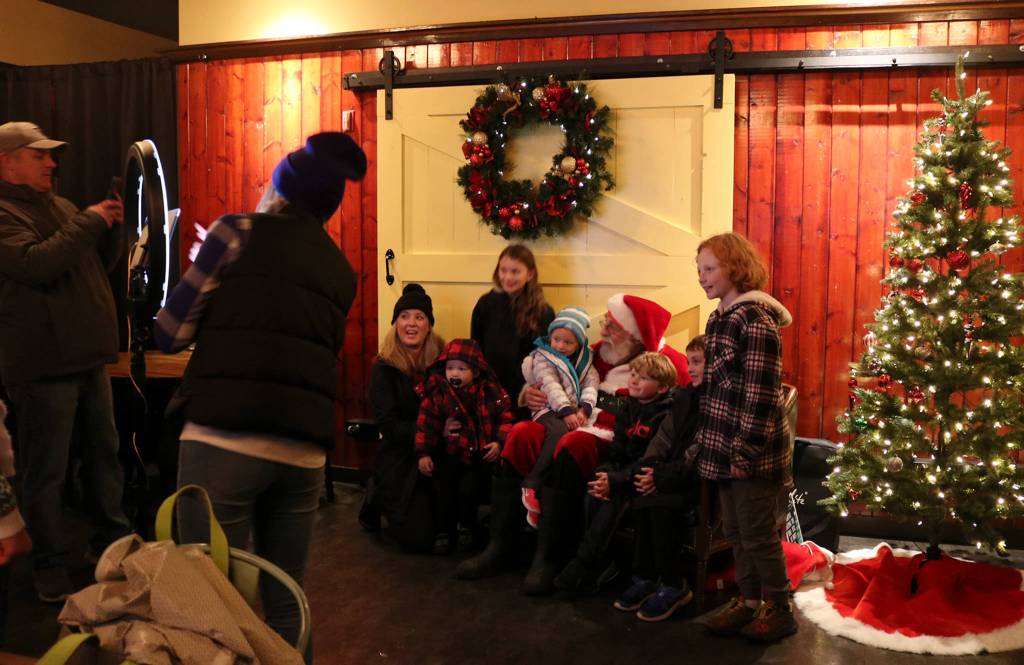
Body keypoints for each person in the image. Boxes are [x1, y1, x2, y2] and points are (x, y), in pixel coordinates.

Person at [155, 132, 366, 653]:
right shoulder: (341, 269)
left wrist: (206, 262)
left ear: (281, 189)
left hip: (222, 441)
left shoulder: (235, 233)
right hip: (302, 454)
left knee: (209, 598)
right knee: (286, 595)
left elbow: (171, 332)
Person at [456, 293, 690, 594]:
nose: (603, 331)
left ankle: (550, 556)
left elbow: (674, 421)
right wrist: (528, 393)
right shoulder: (591, 353)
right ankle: (500, 545)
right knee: (522, 433)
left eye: (612, 327)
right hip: (568, 421)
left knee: (573, 445)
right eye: (606, 322)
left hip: (615, 440)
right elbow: (548, 372)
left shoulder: (666, 364)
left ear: (634, 337)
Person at [0, 121, 131, 603]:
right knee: (46, 472)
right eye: (40, 156)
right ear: (8, 161)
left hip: (88, 360)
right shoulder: (3, 214)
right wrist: (89, 222)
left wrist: (111, 228)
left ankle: (112, 545)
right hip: (41, 368)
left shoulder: (60, 206)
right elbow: (36, 264)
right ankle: (49, 564)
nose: (52, 163)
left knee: (104, 460)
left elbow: (92, 265)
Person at [694, 233, 796, 642]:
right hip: (723, 450)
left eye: (710, 269)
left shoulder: (754, 320)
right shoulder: (719, 318)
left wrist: (745, 449)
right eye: (699, 270)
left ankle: (780, 607)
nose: (702, 278)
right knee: (734, 531)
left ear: (735, 268)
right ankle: (749, 600)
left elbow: (760, 394)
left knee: (757, 535)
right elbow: (716, 389)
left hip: (751, 455)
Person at [551, 353, 677, 601]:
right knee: (596, 485)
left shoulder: (665, 413)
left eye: (644, 378)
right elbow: (618, 450)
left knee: (614, 496)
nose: (634, 380)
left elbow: (651, 459)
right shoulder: (628, 406)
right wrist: (606, 474)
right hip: (623, 470)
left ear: (662, 388)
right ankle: (598, 561)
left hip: (645, 477)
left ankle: (584, 562)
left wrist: (617, 480)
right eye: (633, 374)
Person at [610, 335, 704, 622]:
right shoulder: (686, 395)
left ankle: (675, 584)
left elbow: (699, 449)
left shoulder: (720, 399)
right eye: (689, 362)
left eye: (698, 362)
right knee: (641, 497)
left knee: (661, 505)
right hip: (667, 471)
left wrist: (660, 476)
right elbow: (664, 436)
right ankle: (647, 576)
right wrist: (649, 467)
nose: (691, 368)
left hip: (695, 479)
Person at [364, 283, 446, 553]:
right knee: (417, 540)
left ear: (429, 325)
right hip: (400, 453)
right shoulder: (384, 367)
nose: (411, 323)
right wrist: (433, 433)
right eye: (404, 316)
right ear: (396, 323)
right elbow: (388, 425)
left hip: (437, 451)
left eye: (419, 317)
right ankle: (375, 496)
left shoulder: (443, 361)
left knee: (446, 527)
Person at [415, 338, 514, 552]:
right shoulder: (438, 394)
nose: (455, 374)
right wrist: (424, 453)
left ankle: (466, 527)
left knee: (469, 492)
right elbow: (425, 425)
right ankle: (443, 530)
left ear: (476, 372)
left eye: (461, 369)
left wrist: (499, 442)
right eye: (450, 368)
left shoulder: (489, 392)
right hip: (448, 455)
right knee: (445, 492)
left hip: (476, 457)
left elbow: (505, 417)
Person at [519, 306, 599, 527]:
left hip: (572, 411)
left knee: (573, 444)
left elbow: (591, 383)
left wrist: (584, 409)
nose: (560, 346)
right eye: (556, 339)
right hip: (548, 408)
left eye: (567, 342)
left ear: (579, 344)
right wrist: (566, 411)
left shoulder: (585, 360)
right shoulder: (543, 356)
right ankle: (532, 484)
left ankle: (546, 504)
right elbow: (550, 385)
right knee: (557, 434)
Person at [471, 244, 555, 412]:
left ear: (530, 274)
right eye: (503, 270)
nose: (508, 277)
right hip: (489, 392)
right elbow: (475, 349)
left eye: (515, 271)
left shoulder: (543, 312)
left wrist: (528, 391)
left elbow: (546, 361)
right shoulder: (486, 304)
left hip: (525, 396)